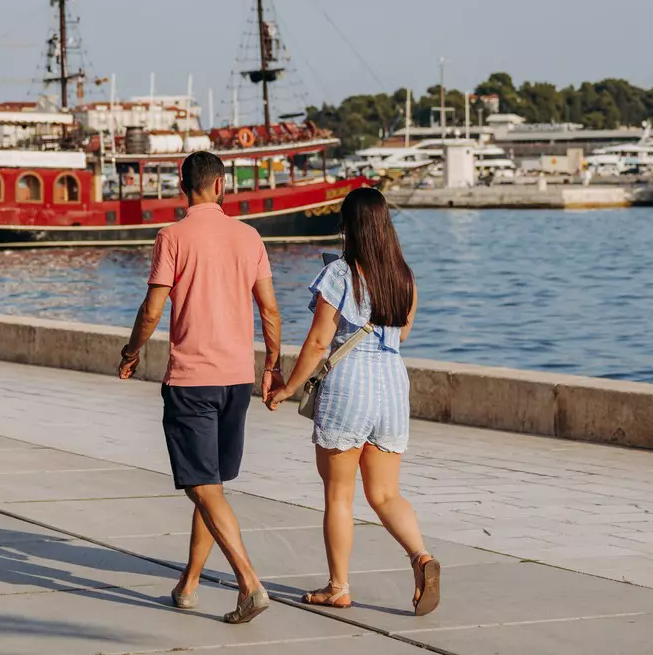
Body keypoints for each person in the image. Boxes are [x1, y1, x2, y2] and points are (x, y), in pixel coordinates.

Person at [118, 150, 282, 624]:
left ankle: (249, 583)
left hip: (192, 380)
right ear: (221, 186)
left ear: (183, 187)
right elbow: (270, 310)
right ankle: (188, 585)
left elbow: (152, 310)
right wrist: (272, 364)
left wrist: (131, 353)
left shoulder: (171, 236)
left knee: (204, 486)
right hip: (237, 380)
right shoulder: (249, 235)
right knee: (212, 485)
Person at [264, 187, 441, 615]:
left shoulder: (340, 274)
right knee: (384, 493)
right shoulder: (405, 276)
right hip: (393, 385)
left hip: (350, 385)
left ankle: (338, 586)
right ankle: (422, 557)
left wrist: (287, 387)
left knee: (339, 495)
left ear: (349, 227)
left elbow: (319, 341)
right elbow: (404, 333)